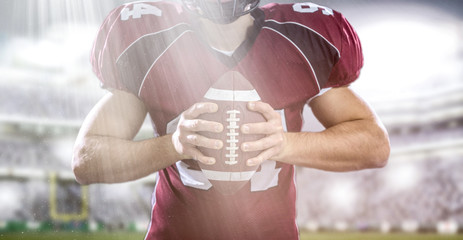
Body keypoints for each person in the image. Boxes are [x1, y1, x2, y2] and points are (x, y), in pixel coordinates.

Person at [72, 0, 390, 239]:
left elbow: (374, 145)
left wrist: (283, 143)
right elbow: (86, 158)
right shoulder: (147, 40)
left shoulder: (302, 40)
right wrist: (173, 145)